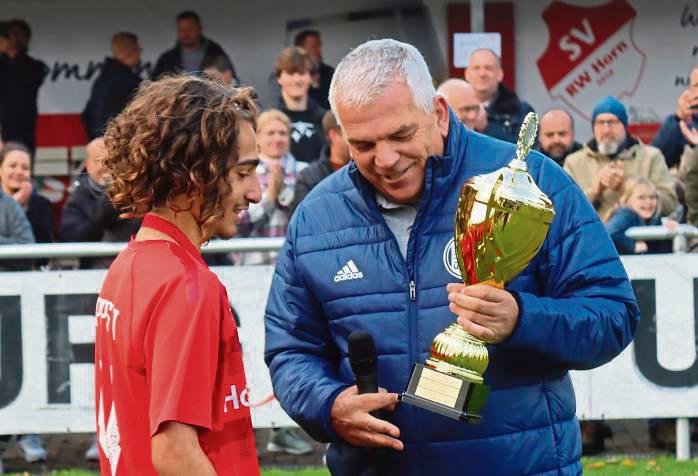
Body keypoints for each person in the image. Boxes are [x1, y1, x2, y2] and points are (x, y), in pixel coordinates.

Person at [264, 38, 639, 475]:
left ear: (439, 114)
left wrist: (522, 319)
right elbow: (292, 349)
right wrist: (328, 406)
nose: (385, 159)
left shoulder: (530, 184)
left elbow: (612, 313)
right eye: (363, 145)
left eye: (401, 135)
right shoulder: (317, 216)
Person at [94, 75, 261, 475]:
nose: (256, 192)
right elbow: (173, 452)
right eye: (243, 173)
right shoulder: (188, 286)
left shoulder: (127, 265)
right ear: (194, 174)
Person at [564, 96, 677, 220]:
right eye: (600, 123)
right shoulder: (575, 162)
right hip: (592, 236)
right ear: (593, 128)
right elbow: (566, 210)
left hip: (640, 235)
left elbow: (670, 204)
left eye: (613, 122)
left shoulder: (651, 157)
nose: (606, 130)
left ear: (624, 126)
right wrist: (595, 191)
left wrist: (627, 186)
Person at [237, 109, 306, 267]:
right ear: (258, 137)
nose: (277, 138)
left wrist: (285, 198)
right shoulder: (244, 172)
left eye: (283, 133)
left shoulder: (304, 171)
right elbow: (240, 224)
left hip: (296, 264)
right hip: (255, 264)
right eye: (271, 133)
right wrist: (270, 198)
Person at [59, 138, 140, 269]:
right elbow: (69, 238)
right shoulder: (78, 197)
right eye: (98, 160)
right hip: (93, 271)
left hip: (133, 266)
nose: (105, 166)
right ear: (87, 164)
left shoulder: (136, 193)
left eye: (110, 160)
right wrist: (99, 217)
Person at [464, 48, 534, 143]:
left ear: (500, 74)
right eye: (476, 68)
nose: (482, 74)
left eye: (488, 68)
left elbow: (526, 152)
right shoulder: (452, 109)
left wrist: (487, 128)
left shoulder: (523, 111)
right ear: (467, 74)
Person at [82, 32, 142, 141]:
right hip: (120, 146)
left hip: (101, 144)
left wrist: (95, 140)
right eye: (138, 50)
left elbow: (87, 115)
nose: (139, 54)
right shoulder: (128, 82)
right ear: (130, 52)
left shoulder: (101, 80)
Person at [0, 19, 46, 155]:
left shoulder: (35, 66)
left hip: (23, 132)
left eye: (18, 35)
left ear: (26, 39)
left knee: (22, 169)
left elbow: (24, 84)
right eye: (10, 35)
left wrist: (14, 54)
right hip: (2, 131)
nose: (14, 39)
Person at [291, 110, 352, 211]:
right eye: (350, 131)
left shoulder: (367, 169)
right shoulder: (308, 177)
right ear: (333, 135)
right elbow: (304, 219)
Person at [152, 10, 237, 82]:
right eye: (181, 30)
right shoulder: (167, 59)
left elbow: (233, 83)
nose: (185, 34)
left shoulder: (215, 53)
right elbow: (153, 87)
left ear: (199, 29)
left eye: (189, 29)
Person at [274, 47, 326, 163]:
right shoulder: (269, 121)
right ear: (279, 78)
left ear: (311, 78)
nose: (297, 80)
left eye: (302, 73)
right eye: (290, 73)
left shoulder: (325, 119)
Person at [605, 178, 673, 255]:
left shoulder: (655, 219)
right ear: (627, 200)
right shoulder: (625, 215)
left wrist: (668, 228)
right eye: (641, 198)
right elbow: (608, 233)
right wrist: (632, 245)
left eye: (652, 197)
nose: (648, 202)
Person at [652, 66, 698, 170]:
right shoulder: (681, 124)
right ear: (690, 91)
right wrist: (679, 117)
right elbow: (655, 162)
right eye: (697, 86)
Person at [294, 30, 334, 110]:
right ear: (301, 50)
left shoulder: (328, 72)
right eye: (314, 46)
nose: (319, 50)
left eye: (319, 46)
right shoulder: (287, 76)